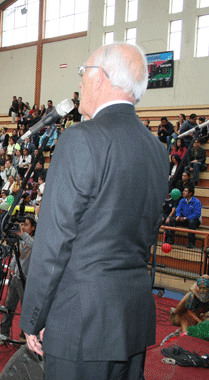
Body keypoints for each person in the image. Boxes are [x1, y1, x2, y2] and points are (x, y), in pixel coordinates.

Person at [19, 43, 168, 379]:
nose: (81, 82)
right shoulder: (157, 150)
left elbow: (55, 241)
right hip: (131, 315)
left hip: (81, 321)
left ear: (100, 77)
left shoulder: (81, 139)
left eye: (83, 73)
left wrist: (35, 318)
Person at [0, 216, 36, 341]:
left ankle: (25, 336)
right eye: (21, 224)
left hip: (28, 280)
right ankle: (4, 332)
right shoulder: (20, 239)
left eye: (25, 225)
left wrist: (23, 235)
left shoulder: (35, 240)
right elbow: (17, 255)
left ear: (33, 227)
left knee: (27, 309)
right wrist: (12, 267)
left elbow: (34, 247)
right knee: (9, 306)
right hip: (16, 277)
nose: (22, 227)